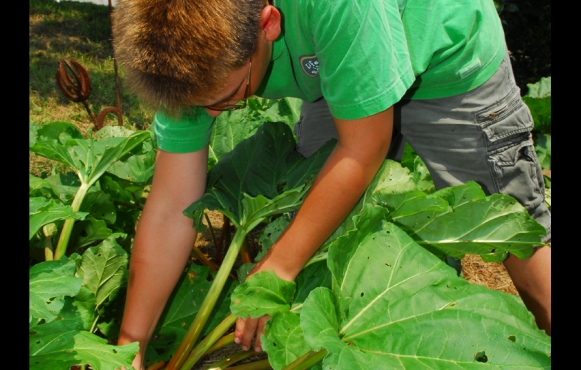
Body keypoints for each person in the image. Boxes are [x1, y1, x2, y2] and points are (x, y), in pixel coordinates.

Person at [112, 1, 551, 368]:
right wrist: (129, 347)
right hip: (335, 65)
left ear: (268, 23)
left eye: (226, 98)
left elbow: (363, 147)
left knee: (515, 232)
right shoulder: (183, 62)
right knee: (320, 245)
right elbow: (172, 205)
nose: (212, 114)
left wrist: (278, 267)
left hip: (447, 58)